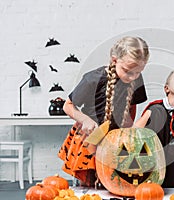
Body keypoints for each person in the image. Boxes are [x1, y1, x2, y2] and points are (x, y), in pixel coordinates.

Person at [58, 36, 149, 187]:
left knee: (117, 183)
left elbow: (131, 107)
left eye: (138, 72)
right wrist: (85, 120)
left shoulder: (136, 79)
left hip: (116, 139)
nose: (133, 77)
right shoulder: (93, 79)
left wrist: (129, 130)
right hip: (91, 137)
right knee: (91, 185)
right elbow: (67, 106)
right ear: (114, 60)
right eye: (127, 71)